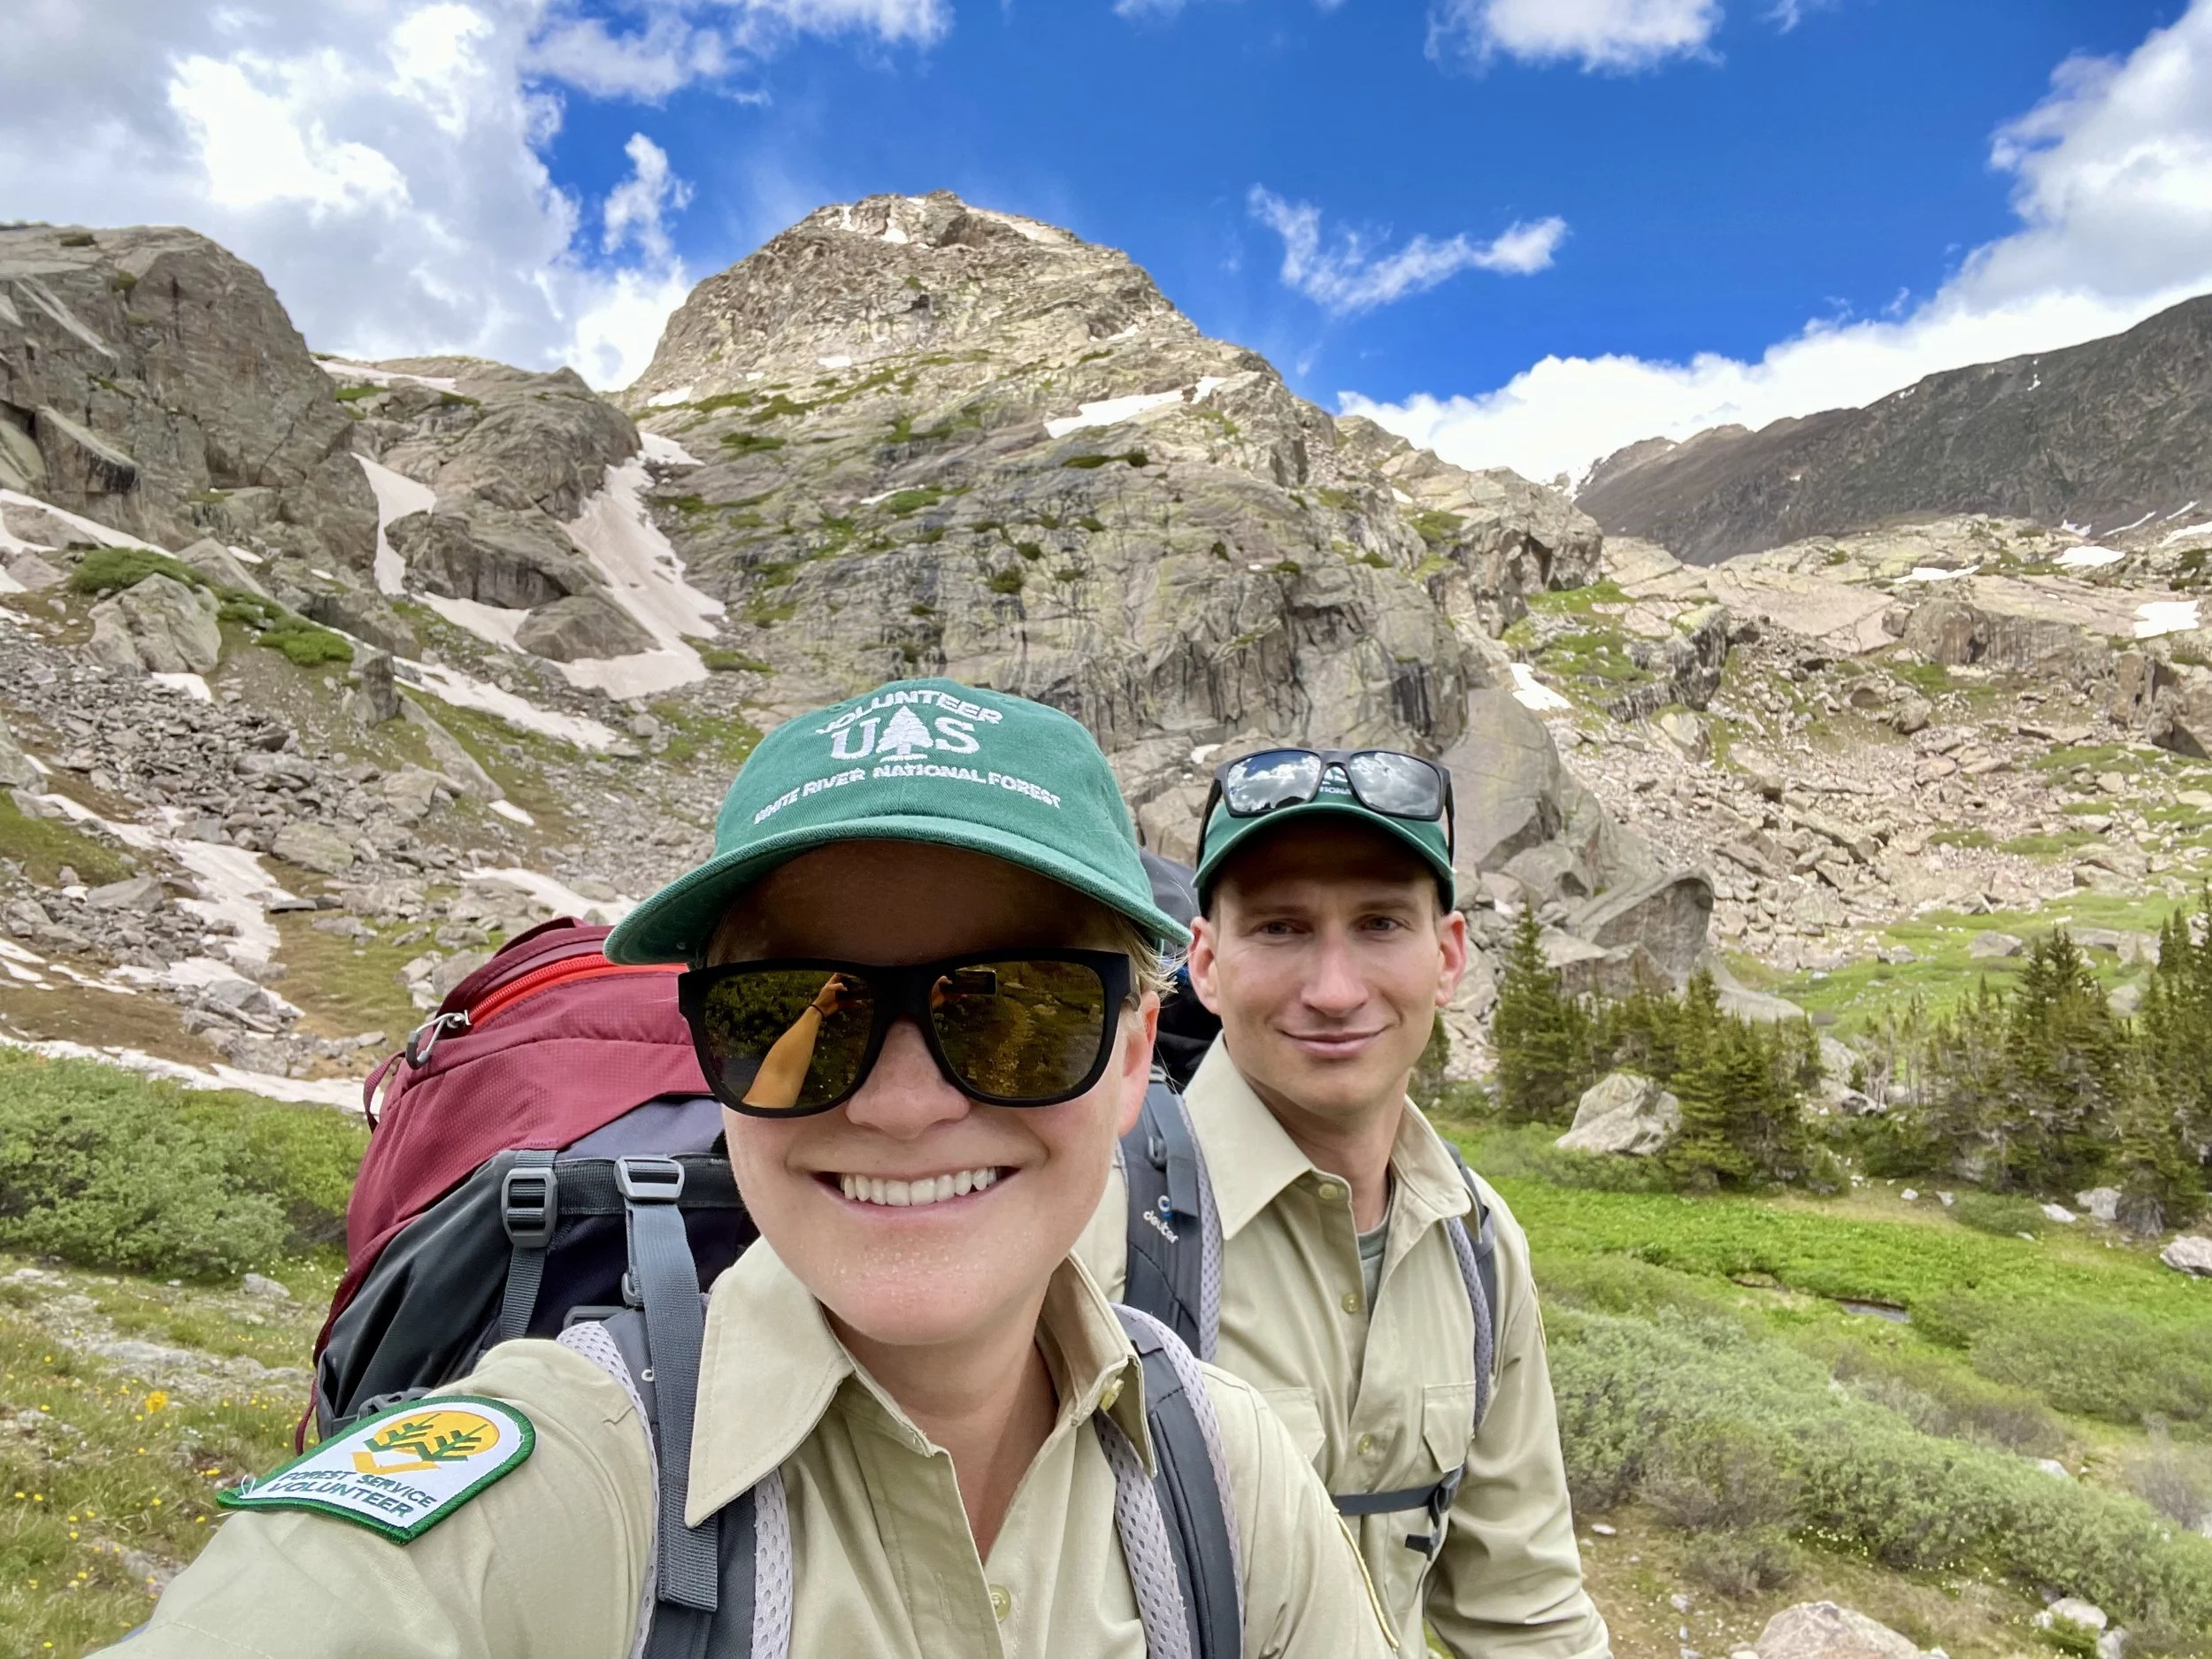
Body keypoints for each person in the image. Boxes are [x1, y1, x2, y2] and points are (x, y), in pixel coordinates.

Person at [104, 681, 1389, 1659]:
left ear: (1127, 1061)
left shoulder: (1226, 1478)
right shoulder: (571, 1479)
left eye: (1010, 1011)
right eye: (798, 1012)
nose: (898, 1102)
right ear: (715, 1060)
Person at [1080, 746, 1611, 1659]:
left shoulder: (1478, 1247)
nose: (1332, 991)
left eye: (1379, 924)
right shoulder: (1098, 1222)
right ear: (1204, 964)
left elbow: (1523, 1609)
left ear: (1446, 958)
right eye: (1280, 929)